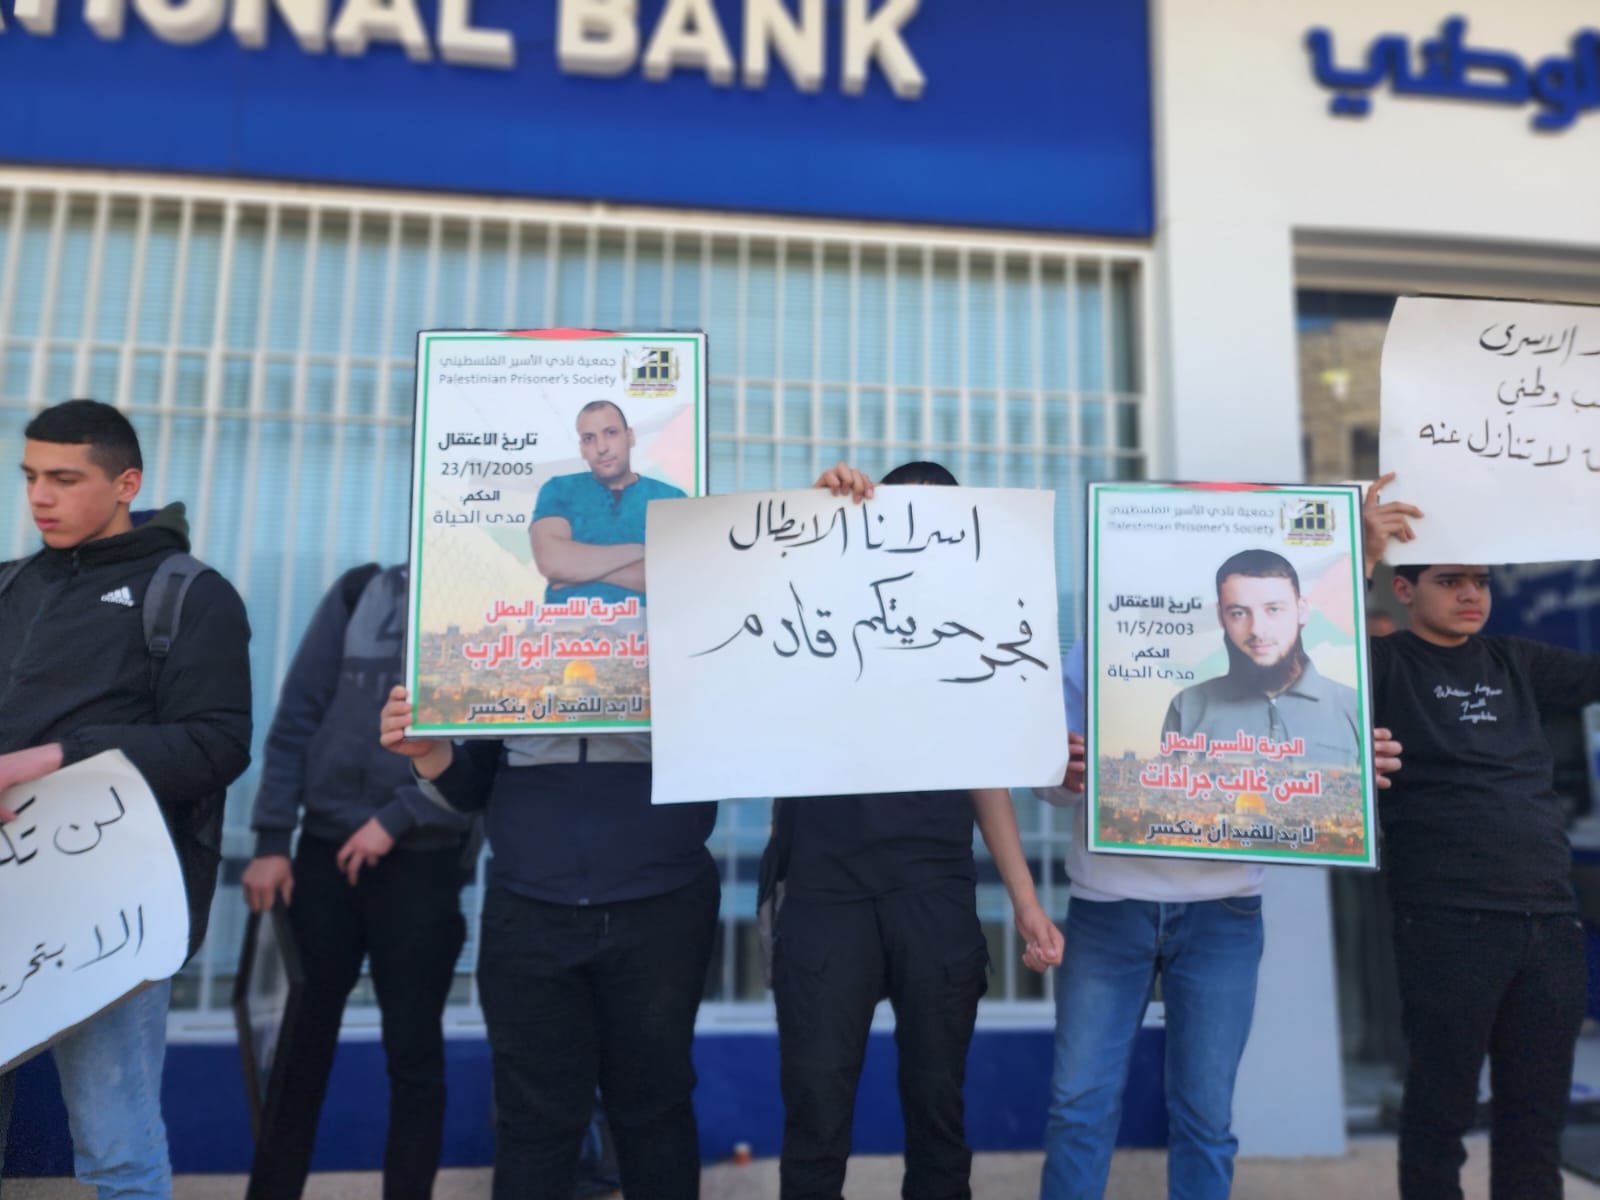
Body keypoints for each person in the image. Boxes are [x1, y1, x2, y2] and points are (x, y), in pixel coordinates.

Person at [767, 460, 1064, 1200]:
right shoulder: (819, 599)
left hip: (933, 891)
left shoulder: (974, 629)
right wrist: (815, 513)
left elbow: (986, 773)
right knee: (814, 1115)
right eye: (905, 514)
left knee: (938, 1117)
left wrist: (1026, 901)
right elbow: (757, 598)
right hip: (824, 892)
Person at [1039, 638, 1399, 1199]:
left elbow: (1309, 766)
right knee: (1078, 1106)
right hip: (1108, 905)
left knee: (1205, 1117)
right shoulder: (1100, 637)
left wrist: (1351, 765)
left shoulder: (1268, 649)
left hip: (1223, 911)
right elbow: (1047, 783)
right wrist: (1061, 773)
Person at [0, 399, 253, 1197]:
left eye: (65, 478)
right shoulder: (10, 585)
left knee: (116, 1146)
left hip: (110, 912)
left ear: (126, 484)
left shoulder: (190, 594)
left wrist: (54, 757)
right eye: (29, 477)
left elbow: (217, 746)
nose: (40, 497)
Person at [377, 686, 717, 1200]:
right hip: (528, 911)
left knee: (655, 1111)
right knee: (534, 1123)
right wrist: (429, 750)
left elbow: (736, 742)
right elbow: (470, 786)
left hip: (662, 905)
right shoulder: (505, 646)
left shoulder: (687, 640)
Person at [1363, 472, 1600, 1200]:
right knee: (1440, 1113)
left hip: (1550, 921)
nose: (1471, 594)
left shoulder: (1516, 660)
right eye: (1450, 580)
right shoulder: (1383, 664)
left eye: (1481, 581)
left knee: (1535, 1123)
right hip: (1447, 921)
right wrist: (1363, 553)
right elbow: (1304, 649)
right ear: (1405, 590)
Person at [240, 564, 474, 1200]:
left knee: (414, 1056)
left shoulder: (488, 601)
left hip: (424, 865)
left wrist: (398, 818)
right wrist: (271, 840)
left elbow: (485, 750)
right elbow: (297, 715)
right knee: (298, 1051)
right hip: (323, 855)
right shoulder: (357, 591)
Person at [1163, 548, 1362, 763]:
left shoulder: (1354, 707)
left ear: (1302, 610)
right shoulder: (1187, 707)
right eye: (1239, 613)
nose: (1257, 630)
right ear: (1221, 617)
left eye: (1273, 609)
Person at [529, 400, 686, 605]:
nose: (601, 448)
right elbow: (553, 561)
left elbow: (675, 580)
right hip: (570, 623)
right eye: (589, 439)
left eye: (611, 433)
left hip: (648, 624)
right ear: (582, 449)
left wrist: (575, 573)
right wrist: (642, 551)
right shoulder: (559, 489)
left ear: (630, 437)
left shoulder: (670, 497)